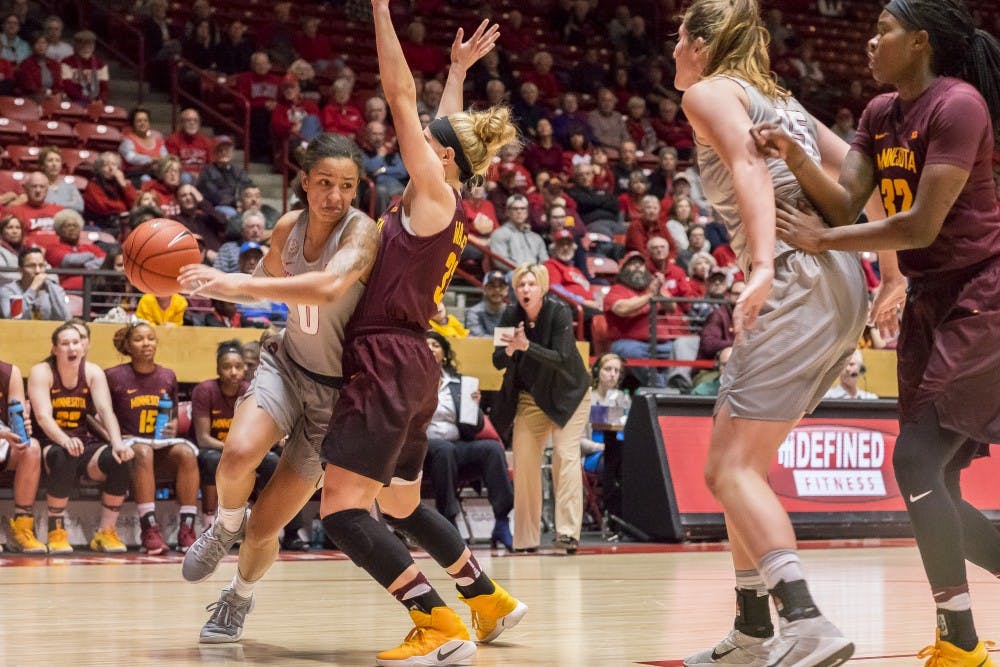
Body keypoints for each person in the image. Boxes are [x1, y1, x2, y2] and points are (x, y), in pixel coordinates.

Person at [185, 15, 523, 664]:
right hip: (413, 361)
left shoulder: (430, 191)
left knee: (342, 511)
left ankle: (437, 622)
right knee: (398, 500)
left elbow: (399, 96)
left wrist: (381, 9)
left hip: (384, 357)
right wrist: (455, 73)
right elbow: (447, 131)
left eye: (430, 139)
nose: (418, 136)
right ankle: (484, 598)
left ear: (443, 157)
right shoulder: (446, 191)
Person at [753, 2, 1000, 659]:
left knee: (916, 460)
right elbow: (843, 199)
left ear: (920, 41)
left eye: (883, 30)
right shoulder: (877, 113)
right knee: (935, 483)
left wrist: (825, 238)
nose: (869, 42)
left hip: (984, 295)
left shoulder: (960, 105)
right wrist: (796, 155)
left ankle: (961, 642)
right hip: (929, 299)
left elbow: (917, 225)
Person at [673, 0, 873, 664]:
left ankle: (805, 619)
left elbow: (747, 166)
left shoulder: (709, 92)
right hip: (842, 279)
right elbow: (864, 178)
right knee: (739, 468)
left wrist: (760, 264)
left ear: (703, 45)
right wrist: (893, 273)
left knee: (728, 468)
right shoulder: (779, 98)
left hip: (795, 274)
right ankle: (754, 627)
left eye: (680, 37)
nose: (674, 49)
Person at [176, 133, 377, 643]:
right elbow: (271, 284)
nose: (335, 196)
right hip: (286, 364)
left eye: (347, 186)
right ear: (304, 182)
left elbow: (328, 286)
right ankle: (223, 524)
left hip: (334, 397)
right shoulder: (288, 227)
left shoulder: (362, 234)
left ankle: (236, 599)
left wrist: (235, 283)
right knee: (239, 453)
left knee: (266, 527)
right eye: (325, 183)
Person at [492, 263, 591, 554]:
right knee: (524, 463)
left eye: (531, 284)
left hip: (568, 395)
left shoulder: (559, 312)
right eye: (521, 285)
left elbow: (561, 357)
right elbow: (498, 361)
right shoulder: (510, 315)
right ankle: (525, 539)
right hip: (530, 397)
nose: (525, 290)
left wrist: (525, 347)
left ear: (543, 287)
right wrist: (510, 351)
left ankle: (567, 534)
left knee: (564, 454)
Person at [27, 322, 134, 553]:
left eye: (76, 342)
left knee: (121, 458)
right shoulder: (42, 371)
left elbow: (106, 411)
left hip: (84, 444)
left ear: (84, 347)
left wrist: (117, 443)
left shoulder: (93, 372)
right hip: (50, 443)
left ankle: (105, 532)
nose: (71, 348)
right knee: (65, 454)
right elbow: (43, 417)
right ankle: (56, 531)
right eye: (65, 343)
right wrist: (64, 439)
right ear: (55, 349)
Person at [105, 321, 200, 554]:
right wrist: (115, 438)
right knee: (143, 451)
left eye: (151, 338)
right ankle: (149, 529)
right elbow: (97, 416)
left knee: (187, 453)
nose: (146, 343)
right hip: (128, 446)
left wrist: (174, 425)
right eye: (139, 339)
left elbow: (175, 413)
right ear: (128, 345)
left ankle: (187, 529)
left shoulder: (168, 375)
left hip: (159, 444)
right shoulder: (113, 376)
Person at [422, 331, 513, 550]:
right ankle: (449, 523)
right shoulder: (407, 381)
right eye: (425, 345)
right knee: (443, 449)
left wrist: (475, 408)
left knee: (491, 448)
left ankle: (502, 521)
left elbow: (475, 428)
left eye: (435, 344)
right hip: (422, 450)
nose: (430, 348)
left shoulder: (459, 383)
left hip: (456, 447)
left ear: (444, 354)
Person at [190, 341, 278, 534]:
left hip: (243, 450)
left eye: (238, 367)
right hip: (212, 450)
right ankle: (209, 523)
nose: (233, 372)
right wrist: (236, 451)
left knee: (272, 461)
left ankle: (263, 523)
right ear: (218, 369)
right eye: (227, 367)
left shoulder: (250, 390)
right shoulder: (204, 390)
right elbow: (203, 438)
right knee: (213, 461)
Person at [0, 357, 45, 553]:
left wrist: (22, 426)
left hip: (3, 437)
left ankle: (22, 528)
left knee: (31, 448)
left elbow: (15, 415)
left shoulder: (9, 372)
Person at [582, 353, 630, 521]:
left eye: (616, 371)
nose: (612, 374)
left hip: (618, 451)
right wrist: (599, 447)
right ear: (597, 372)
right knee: (616, 459)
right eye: (608, 369)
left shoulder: (623, 399)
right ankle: (615, 515)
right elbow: (578, 440)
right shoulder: (587, 399)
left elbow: (627, 432)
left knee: (628, 459)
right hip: (593, 455)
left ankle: (626, 514)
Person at [0, 247, 69, 320]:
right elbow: (13, 319)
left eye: (41, 266)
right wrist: (32, 289)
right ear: (20, 270)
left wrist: (52, 287)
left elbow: (65, 319)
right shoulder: (8, 290)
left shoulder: (54, 289)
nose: (38, 271)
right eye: (32, 266)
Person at [44, 209, 105, 291]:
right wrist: (91, 257)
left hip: (93, 291)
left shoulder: (90, 247)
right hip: (67, 292)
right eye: (67, 226)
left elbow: (105, 262)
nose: (72, 228)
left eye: (75, 226)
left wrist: (83, 264)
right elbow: (69, 260)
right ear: (59, 231)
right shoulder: (53, 248)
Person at [38, 147, 85, 214]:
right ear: (42, 165)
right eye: (50, 160)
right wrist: (68, 204)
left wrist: (54, 205)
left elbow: (79, 207)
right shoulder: (37, 187)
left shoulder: (70, 187)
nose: (54, 164)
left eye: (57, 160)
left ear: (61, 165)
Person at [465, 269, 507, 337]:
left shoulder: (511, 312)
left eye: (501, 286)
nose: (497, 290)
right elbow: (480, 339)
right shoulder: (474, 313)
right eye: (492, 286)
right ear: (484, 289)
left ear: (506, 290)